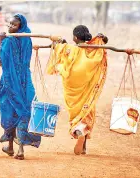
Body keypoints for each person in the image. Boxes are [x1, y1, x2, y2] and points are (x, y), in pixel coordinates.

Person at [46, 25, 108, 155]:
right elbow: (102, 48)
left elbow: (59, 46)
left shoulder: (69, 49)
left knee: (76, 111)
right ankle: (84, 144)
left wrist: (57, 40)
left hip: (72, 83)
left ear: (74, 37)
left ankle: (78, 130)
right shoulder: (92, 50)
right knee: (87, 109)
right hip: (87, 85)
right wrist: (101, 39)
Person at [0, 14, 41, 160]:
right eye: (9, 24)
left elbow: (3, 61)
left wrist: (1, 42)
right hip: (25, 82)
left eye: (14, 25)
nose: (10, 27)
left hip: (10, 82)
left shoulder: (8, 42)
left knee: (10, 110)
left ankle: (12, 147)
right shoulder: (27, 39)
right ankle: (17, 148)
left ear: (20, 27)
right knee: (24, 111)